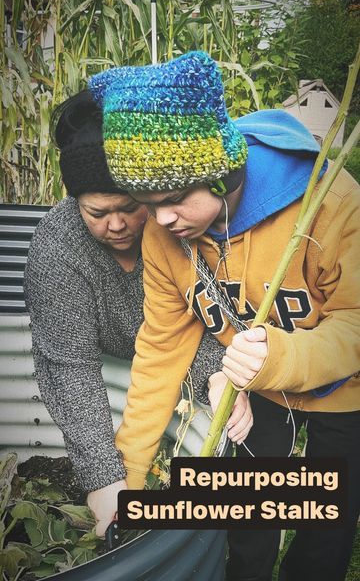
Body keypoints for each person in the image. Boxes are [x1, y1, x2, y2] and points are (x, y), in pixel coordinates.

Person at [88, 51, 360, 581]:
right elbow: (161, 348)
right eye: (147, 201)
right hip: (253, 389)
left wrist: (279, 356)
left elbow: (356, 318)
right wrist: (128, 475)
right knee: (248, 510)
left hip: (343, 388)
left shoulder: (331, 203)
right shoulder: (165, 236)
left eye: (173, 199)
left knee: (328, 515)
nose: (161, 218)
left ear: (220, 175)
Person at [24, 89, 249, 538]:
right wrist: (105, 479)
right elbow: (70, 369)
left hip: (178, 367)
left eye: (130, 207)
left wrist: (225, 373)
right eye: (97, 212)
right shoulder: (56, 251)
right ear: (76, 203)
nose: (117, 225)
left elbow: (213, 312)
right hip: (111, 379)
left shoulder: (180, 227)